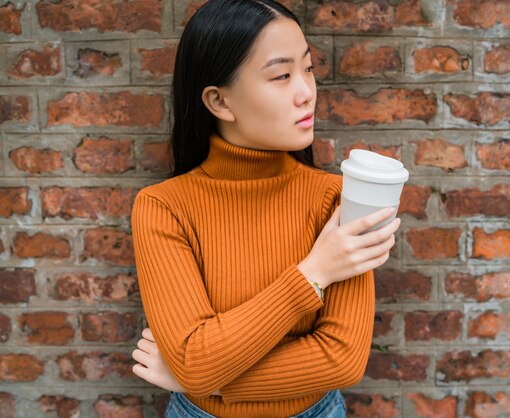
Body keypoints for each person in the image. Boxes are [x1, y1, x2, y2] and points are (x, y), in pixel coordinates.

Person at [129, 0, 400, 417]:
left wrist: (202, 380)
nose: (306, 91)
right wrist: (315, 273)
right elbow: (193, 359)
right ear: (220, 102)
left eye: (308, 69)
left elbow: (342, 359)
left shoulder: (336, 199)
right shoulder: (164, 208)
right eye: (281, 75)